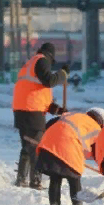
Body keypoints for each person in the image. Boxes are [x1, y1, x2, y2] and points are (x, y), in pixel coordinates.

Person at [12, 42, 70, 190]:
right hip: (32, 112)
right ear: (50, 56)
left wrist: (57, 110)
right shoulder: (41, 60)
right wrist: (62, 75)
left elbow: (37, 93)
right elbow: (50, 81)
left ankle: (21, 180)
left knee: (27, 147)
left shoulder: (30, 64)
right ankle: (35, 181)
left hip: (22, 110)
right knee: (36, 147)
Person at [35, 108, 104, 205]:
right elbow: (97, 153)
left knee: (55, 178)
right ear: (101, 123)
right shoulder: (95, 129)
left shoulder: (72, 115)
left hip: (49, 146)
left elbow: (50, 123)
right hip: (68, 149)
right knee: (74, 179)